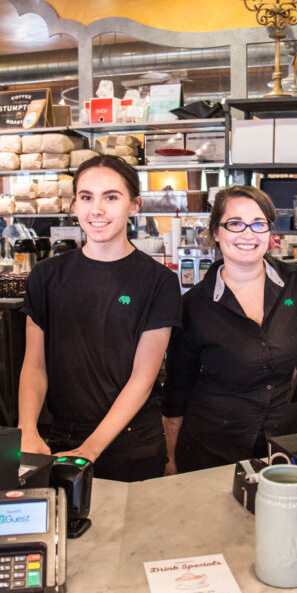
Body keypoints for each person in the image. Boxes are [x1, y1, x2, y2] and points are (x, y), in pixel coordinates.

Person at [17, 155, 181, 482]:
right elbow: (34, 364)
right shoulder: (46, 276)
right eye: (86, 197)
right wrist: (27, 429)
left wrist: (90, 449)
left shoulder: (158, 282)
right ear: (74, 205)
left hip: (133, 443)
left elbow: (142, 379)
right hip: (63, 438)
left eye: (111, 197)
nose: (97, 209)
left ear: (134, 206)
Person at [163, 185, 297, 474]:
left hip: (295, 443)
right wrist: (170, 460)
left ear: (270, 231)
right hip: (214, 452)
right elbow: (176, 393)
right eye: (235, 224)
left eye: (258, 224)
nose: (248, 234)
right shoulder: (193, 306)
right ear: (216, 232)